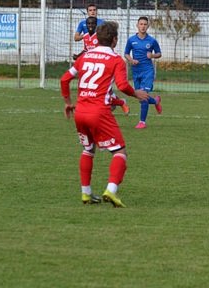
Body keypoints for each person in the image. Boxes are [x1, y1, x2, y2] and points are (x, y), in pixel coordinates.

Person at [60, 21, 149, 208]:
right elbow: (123, 85)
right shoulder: (116, 59)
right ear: (115, 40)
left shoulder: (84, 56)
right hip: (99, 112)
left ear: (97, 39)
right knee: (120, 152)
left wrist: (68, 103)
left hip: (80, 112)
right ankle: (111, 190)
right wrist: (136, 94)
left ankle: (86, 194)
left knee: (88, 149)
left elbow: (65, 79)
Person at [73, 16, 130, 115]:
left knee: (102, 93)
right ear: (86, 25)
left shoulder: (99, 36)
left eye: (93, 24)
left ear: (96, 25)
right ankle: (120, 103)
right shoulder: (85, 36)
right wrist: (78, 56)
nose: (90, 26)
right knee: (101, 93)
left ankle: (120, 103)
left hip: (102, 64)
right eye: (88, 24)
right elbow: (86, 50)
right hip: (91, 64)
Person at [124, 16, 163, 129]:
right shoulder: (131, 40)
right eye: (141, 24)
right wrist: (131, 60)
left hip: (147, 71)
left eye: (145, 24)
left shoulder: (152, 40)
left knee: (143, 96)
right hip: (136, 71)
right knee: (140, 97)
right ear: (137, 25)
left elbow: (159, 53)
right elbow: (126, 53)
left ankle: (142, 122)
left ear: (148, 26)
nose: (143, 26)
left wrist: (152, 55)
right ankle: (155, 101)